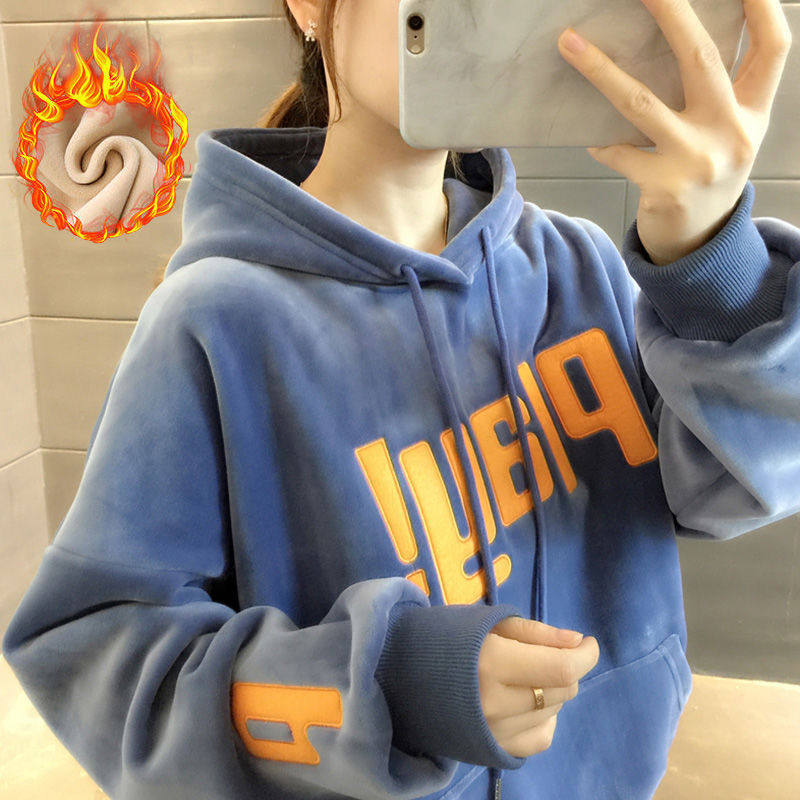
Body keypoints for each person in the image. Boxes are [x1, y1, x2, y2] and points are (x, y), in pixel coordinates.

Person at [4, 1, 800, 799]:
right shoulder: (214, 321)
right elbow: (97, 658)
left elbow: (731, 486)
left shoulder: (576, 264)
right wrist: (392, 689)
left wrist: (714, 269)